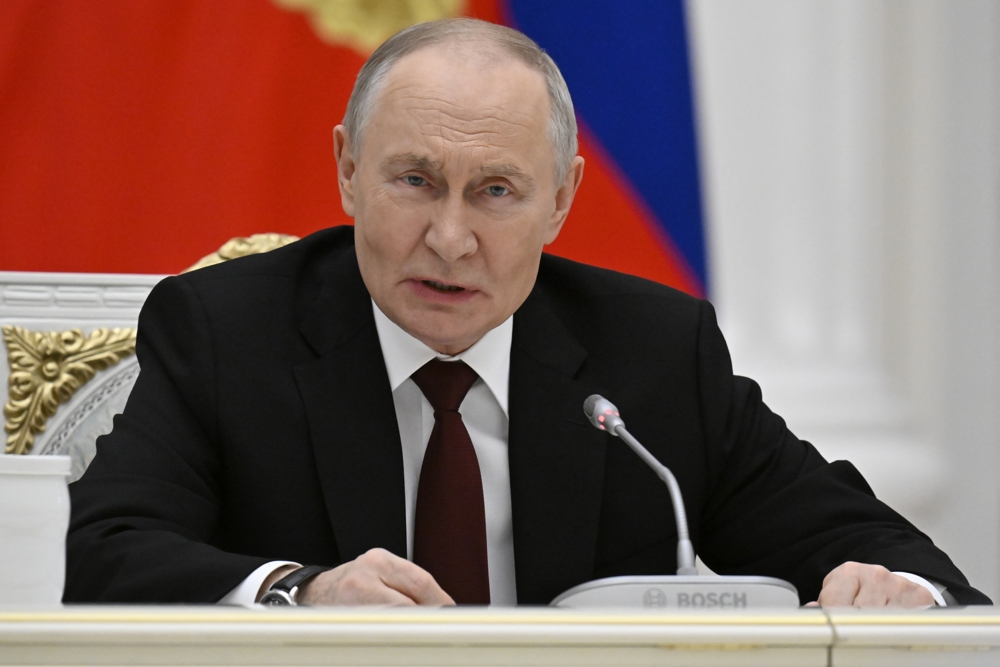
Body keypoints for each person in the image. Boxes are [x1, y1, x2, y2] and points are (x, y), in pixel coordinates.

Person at [65, 18, 989, 608]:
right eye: (415, 181)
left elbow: (895, 558)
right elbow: (100, 552)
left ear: (561, 200)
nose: (452, 237)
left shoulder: (653, 353)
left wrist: (889, 588)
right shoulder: (228, 331)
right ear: (348, 168)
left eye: (498, 191)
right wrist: (298, 593)